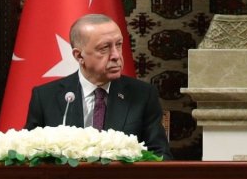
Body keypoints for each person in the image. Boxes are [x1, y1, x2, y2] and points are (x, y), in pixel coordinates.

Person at [24, 14, 170, 157]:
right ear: (79, 56)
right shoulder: (45, 97)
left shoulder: (143, 95)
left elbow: (160, 156)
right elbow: (29, 156)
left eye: (118, 45)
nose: (116, 55)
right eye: (104, 48)